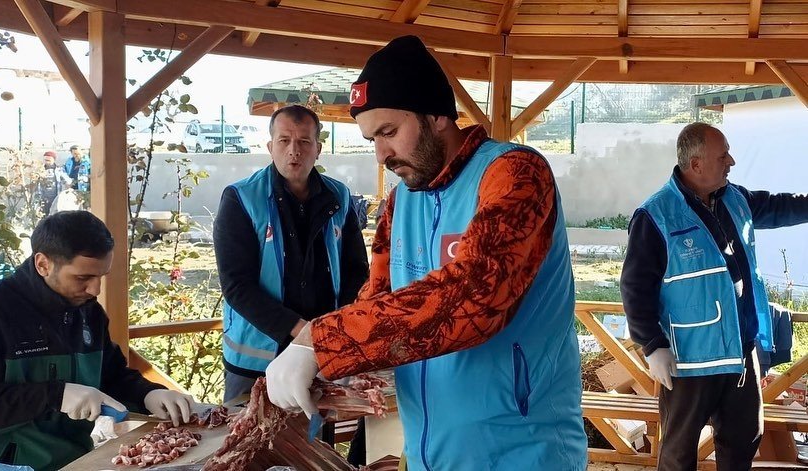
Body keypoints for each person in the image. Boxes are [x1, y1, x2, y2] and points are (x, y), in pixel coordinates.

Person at [264, 36, 587, 470]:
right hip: (427, 454)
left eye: (389, 132)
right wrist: (338, 370)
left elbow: (475, 295)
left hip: (522, 452)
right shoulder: (401, 201)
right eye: (371, 138)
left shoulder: (515, 174)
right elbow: (378, 300)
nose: (381, 155)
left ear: (437, 117)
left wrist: (320, 343)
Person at [620, 122, 808, 470]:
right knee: (679, 452)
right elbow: (635, 287)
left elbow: (779, 207)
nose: (731, 161)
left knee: (742, 442)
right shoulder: (656, 215)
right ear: (696, 165)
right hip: (690, 360)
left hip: (740, 352)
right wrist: (651, 344)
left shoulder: (734, 198)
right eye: (723, 156)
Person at [0, 211, 195, 470]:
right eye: (83, 278)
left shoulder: (89, 313)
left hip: (80, 462)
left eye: (101, 276)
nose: (95, 290)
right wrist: (54, 396)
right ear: (43, 264)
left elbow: (111, 377)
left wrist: (149, 393)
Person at [213, 104, 368, 401]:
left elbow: (356, 270)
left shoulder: (339, 196)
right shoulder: (242, 198)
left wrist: (331, 330)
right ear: (271, 146)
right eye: (284, 141)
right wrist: (304, 332)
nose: (294, 151)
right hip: (256, 359)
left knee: (313, 440)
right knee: (249, 441)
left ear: (318, 149)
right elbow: (237, 287)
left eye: (304, 142)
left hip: (320, 351)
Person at [38, 150, 71, 215]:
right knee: (43, 216)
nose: (47, 162)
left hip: (55, 197)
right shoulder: (40, 170)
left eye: (49, 160)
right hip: (43, 198)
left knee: (55, 215)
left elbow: (67, 180)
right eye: (45, 160)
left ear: (53, 160)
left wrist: (68, 186)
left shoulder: (59, 169)